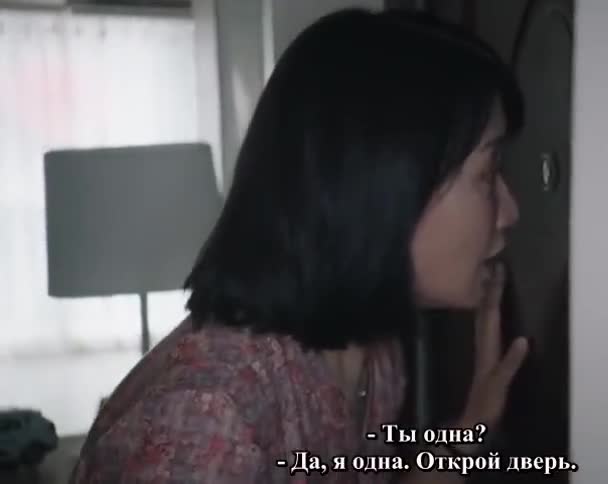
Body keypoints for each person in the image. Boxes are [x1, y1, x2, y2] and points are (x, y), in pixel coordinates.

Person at [70, 8, 527, 483]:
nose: (510, 211)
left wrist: (472, 427)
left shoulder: (375, 357)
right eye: (487, 174)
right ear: (382, 185)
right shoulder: (207, 421)